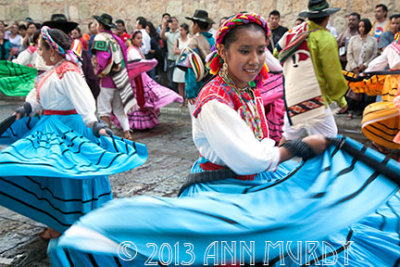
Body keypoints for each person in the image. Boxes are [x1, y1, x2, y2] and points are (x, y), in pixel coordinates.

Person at [49, 13, 400, 266]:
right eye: (244, 51)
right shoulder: (215, 100)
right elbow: (249, 159)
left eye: (261, 50)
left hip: (255, 180)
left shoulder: (245, 88)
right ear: (226, 53)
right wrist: (297, 147)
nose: (255, 59)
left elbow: (274, 74)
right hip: (226, 185)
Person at [0, 26, 147, 240]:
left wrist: (93, 123)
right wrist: (27, 108)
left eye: (41, 48)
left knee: (66, 177)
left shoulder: (68, 70)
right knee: (51, 176)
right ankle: (58, 221)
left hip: (67, 130)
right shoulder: (51, 72)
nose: (38, 52)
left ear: (52, 50)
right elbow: (38, 97)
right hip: (50, 128)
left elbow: (83, 100)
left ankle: (68, 223)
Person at [275, 0, 348, 142]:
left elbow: (277, 52)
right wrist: (341, 100)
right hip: (313, 97)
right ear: (327, 17)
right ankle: (314, 163)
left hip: (292, 94)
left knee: (289, 135)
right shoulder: (325, 38)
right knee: (329, 137)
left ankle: (273, 163)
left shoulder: (294, 31)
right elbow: (332, 73)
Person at [110, 31, 182, 130]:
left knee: (143, 97)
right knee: (136, 100)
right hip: (136, 79)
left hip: (140, 78)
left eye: (141, 38)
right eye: (138, 38)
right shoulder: (132, 51)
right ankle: (133, 124)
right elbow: (137, 63)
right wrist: (149, 62)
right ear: (133, 40)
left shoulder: (136, 49)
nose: (140, 40)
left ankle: (136, 123)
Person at [92, 13, 135, 140]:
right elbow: (125, 59)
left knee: (103, 109)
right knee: (119, 109)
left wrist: (97, 73)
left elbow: (103, 59)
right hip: (120, 78)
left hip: (106, 80)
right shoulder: (117, 39)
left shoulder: (100, 38)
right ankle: (127, 132)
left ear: (100, 25)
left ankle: (108, 134)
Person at [345, 18, 378, 119]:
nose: (361, 28)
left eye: (363, 26)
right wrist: (354, 66)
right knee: (352, 90)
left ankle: (362, 111)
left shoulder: (373, 40)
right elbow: (349, 53)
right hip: (352, 69)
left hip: (366, 70)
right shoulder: (353, 39)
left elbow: (374, 54)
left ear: (368, 27)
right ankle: (350, 111)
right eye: (360, 26)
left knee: (365, 92)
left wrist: (366, 64)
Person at [184, 9, 215, 107]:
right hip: (213, 85)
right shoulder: (214, 40)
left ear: (196, 25)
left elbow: (192, 68)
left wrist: (190, 92)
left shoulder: (194, 42)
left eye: (192, 24)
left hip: (198, 87)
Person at [161, 16, 180, 91]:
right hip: (170, 57)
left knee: (178, 76)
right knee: (170, 76)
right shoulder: (168, 34)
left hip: (179, 57)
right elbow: (162, 36)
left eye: (173, 21)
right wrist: (164, 26)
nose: (172, 23)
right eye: (170, 22)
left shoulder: (180, 32)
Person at [173, 23, 190, 103]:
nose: (180, 32)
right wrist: (183, 51)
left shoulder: (190, 40)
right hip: (179, 63)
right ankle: (181, 99)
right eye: (179, 30)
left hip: (187, 63)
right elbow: (175, 51)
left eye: (182, 30)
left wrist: (181, 51)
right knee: (180, 83)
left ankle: (187, 99)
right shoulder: (177, 40)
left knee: (187, 83)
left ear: (186, 31)